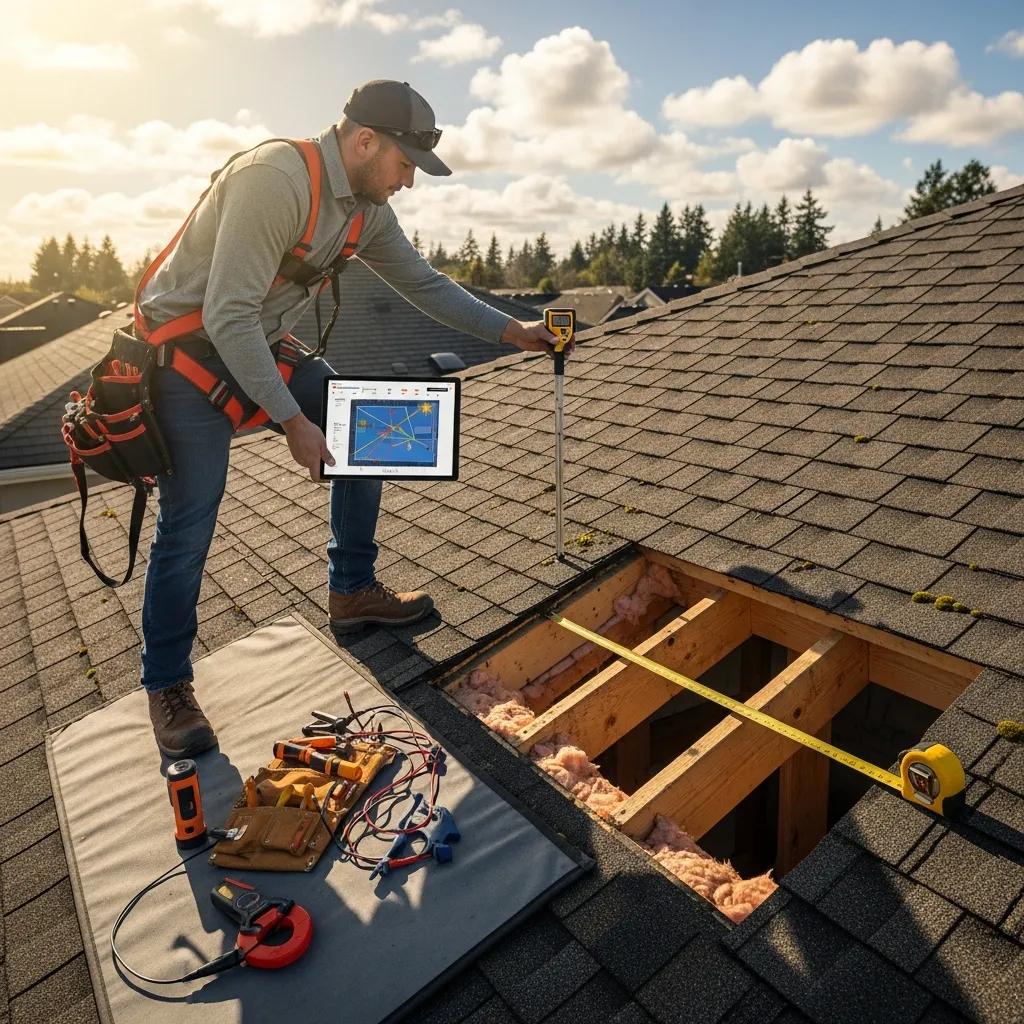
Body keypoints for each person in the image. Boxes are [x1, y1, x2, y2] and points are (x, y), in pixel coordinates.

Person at [137, 79, 564, 758]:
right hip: (187, 355)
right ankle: (166, 685)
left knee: (364, 426)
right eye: (404, 166)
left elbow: (425, 284)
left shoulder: (365, 209)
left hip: (259, 343)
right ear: (365, 141)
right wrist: (290, 421)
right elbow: (225, 315)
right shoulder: (272, 181)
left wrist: (510, 330)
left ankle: (352, 590)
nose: (408, 184)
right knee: (191, 518)